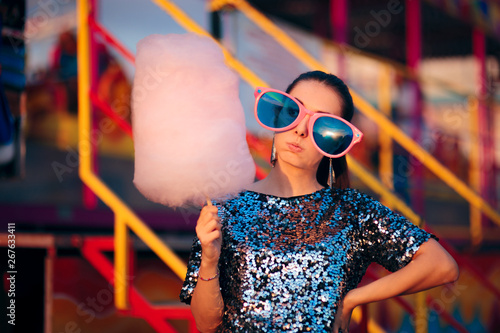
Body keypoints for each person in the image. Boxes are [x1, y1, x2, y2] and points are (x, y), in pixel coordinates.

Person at [180, 71, 459, 333]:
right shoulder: (225, 208)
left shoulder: (351, 211)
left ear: (336, 143)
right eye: (292, 111)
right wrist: (209, 258)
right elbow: (207, 324)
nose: (300, 129)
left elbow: (441, 265)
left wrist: (352, 299)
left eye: (322, 125)